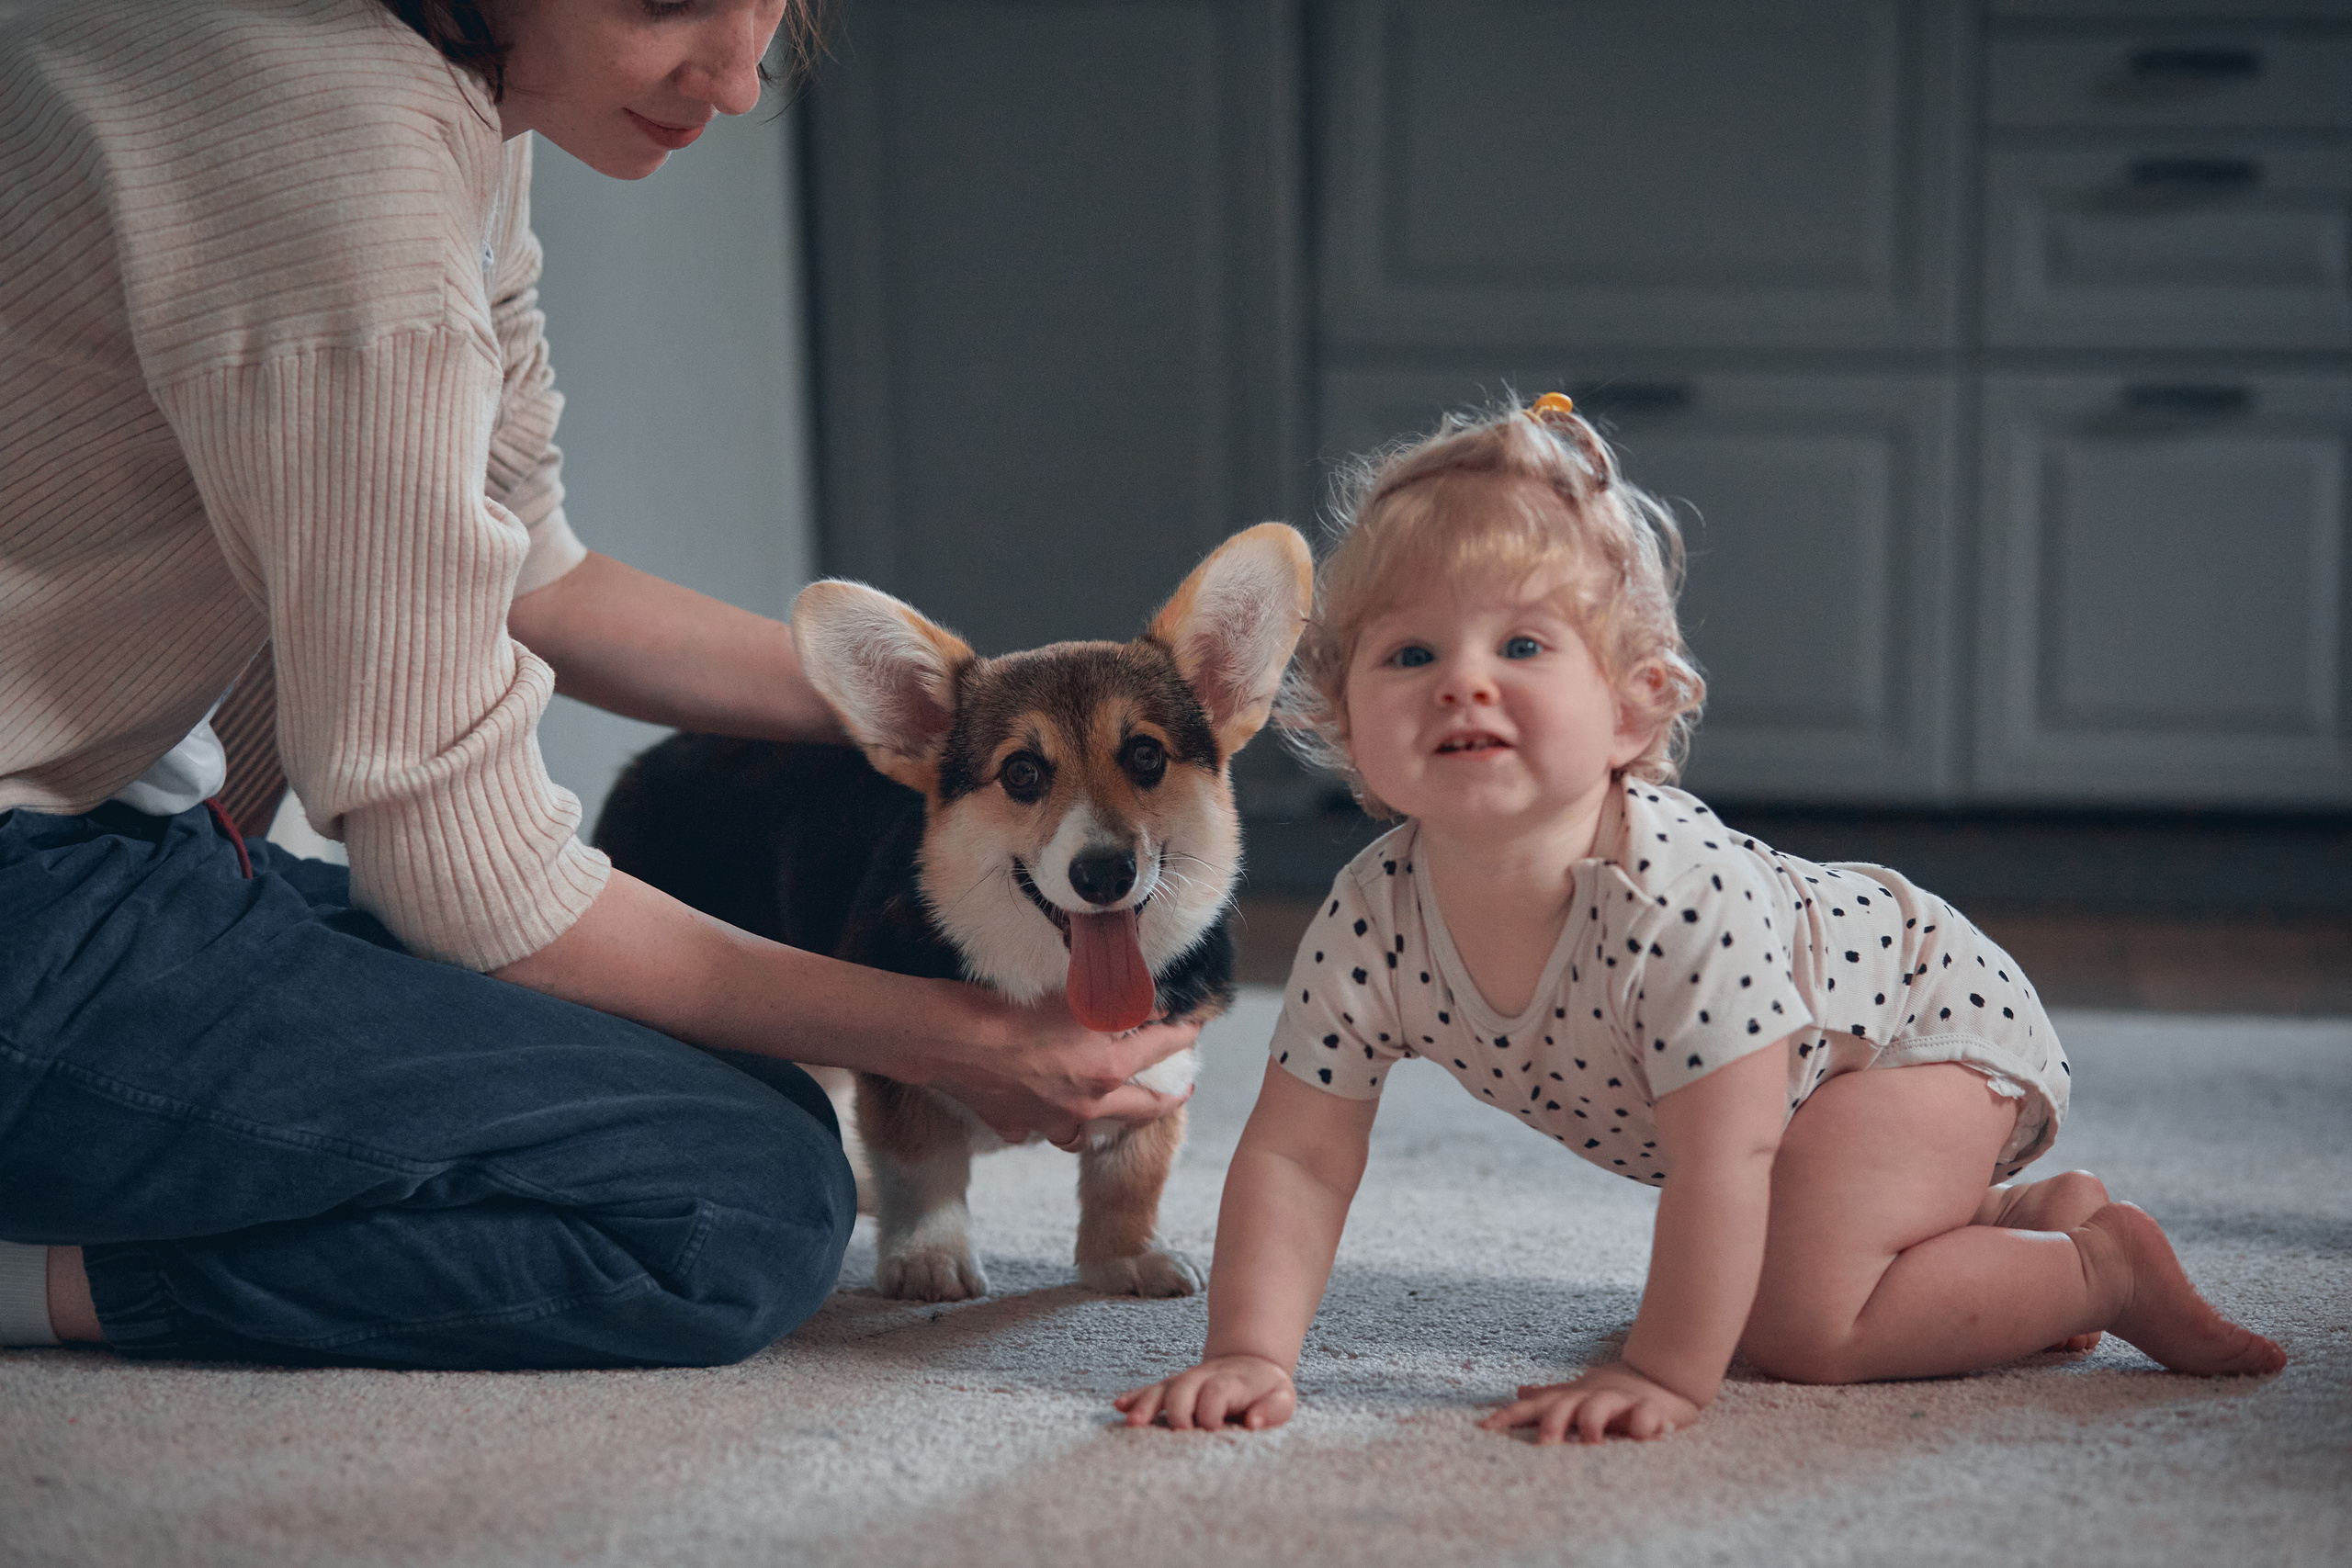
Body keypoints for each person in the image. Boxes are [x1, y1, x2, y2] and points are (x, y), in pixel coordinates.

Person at [0, 0, 1195, 1368]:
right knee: (731, 1204)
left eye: (775, 4)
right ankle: (42, 1276)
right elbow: (462, 871)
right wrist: (953, 1035)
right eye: (666, 1)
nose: (741, 81)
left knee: (728, 1088)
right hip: (35, 894)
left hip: (116, 839)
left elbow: (536, 575)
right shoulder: (352, 173)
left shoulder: (443, 84)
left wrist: (970, 712)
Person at [1114, 393, 2285, 1441]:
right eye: (1410, 652)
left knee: (1801, 1325)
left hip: (1914, 1031)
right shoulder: (1371, 915)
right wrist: (1248, 1353)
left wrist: (1664, 1373)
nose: (1462, 681)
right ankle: (2007, 1220)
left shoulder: (1671, 895)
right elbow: (1299, 1155)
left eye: (1522, 644)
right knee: (1804, 1231)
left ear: (1631, 712)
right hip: (1810, 1100)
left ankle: (2099, 1271)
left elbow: (1726, 1155)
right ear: (1346, 726)